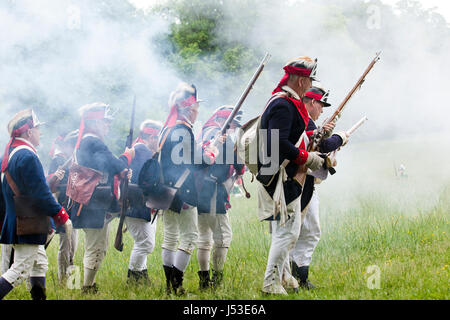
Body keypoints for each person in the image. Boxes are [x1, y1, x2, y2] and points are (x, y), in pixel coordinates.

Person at [257, 57, 326, 295]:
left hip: (282, 173)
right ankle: (270, 283)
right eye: (308, 81)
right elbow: (278, 143)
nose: (309, 87)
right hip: (279, 175)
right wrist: (307, 158)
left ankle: (285, 277)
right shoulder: (283, 105)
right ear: (299, 81)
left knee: (287, 231)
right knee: (287, 232)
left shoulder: (287, 104)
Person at [0, 109, 72, 300]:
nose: (40, 133)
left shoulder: (12, 154)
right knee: (20, 270)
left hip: (18, 219)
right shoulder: (28, 156)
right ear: (29, 132)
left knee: (39, 264)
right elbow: (41, 192)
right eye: (38, 129)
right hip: (26, 222)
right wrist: (60, 213)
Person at [159, 83, 219, 295]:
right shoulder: (183, 130)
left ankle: (169, 286)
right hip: (182, 190)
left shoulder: (168, 128)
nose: (196, 113)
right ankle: (177, 285)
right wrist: (211, 154)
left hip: (166, 190)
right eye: (194, 109)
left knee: (170, 236)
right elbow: (194, 162)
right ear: (187, 110)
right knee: (190, 236)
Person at [68, 103, 133, 294]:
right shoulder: (93, 141)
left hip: (90, 203)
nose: (108, 125)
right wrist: (127, 157)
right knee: (96, 247)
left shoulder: (86, 141)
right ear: (95, 123)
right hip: (93, 204)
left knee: (94, 246)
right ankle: (87, 287)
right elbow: (113, 164)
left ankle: (87, 284)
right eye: (105, 122)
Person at [289, 84, 348, 289]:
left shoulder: (306, 121)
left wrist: (324, 133)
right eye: (321, 105)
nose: (322, 109)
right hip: (299, 182)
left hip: (305, 181)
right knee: (297, 231)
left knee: (307, 230)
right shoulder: (303, 120)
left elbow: (317, 143)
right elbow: (323, 146)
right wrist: (340, 138)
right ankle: (293, 276)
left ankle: (298, 274)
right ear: (312, 102)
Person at [196, 106, 245, 290]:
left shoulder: (205, 132)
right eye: (233, 124)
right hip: (214, 190)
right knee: (223, 237)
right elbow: (238, 164)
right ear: (227, 120)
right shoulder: (220, 137)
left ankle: (204, 282)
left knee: (204, 237)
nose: (234, 128)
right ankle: (216, 282)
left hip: (200, 190)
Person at [124, 119, 162, 283]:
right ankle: (133, 277)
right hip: (137, 205)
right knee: (146, 243)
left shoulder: (145, 152)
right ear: (152, 138)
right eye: (159, 138)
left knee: (144, 242)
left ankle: (142, 275)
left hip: (145, 206)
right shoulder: (140, 151)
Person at [46, 129, 79, 284]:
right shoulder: (58, 160)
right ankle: (64, 281)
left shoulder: (73, 160)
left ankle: (72, 282)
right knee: (66, 246)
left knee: (73, 246)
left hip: (73, 208)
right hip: (63, 207)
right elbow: (53, 186)